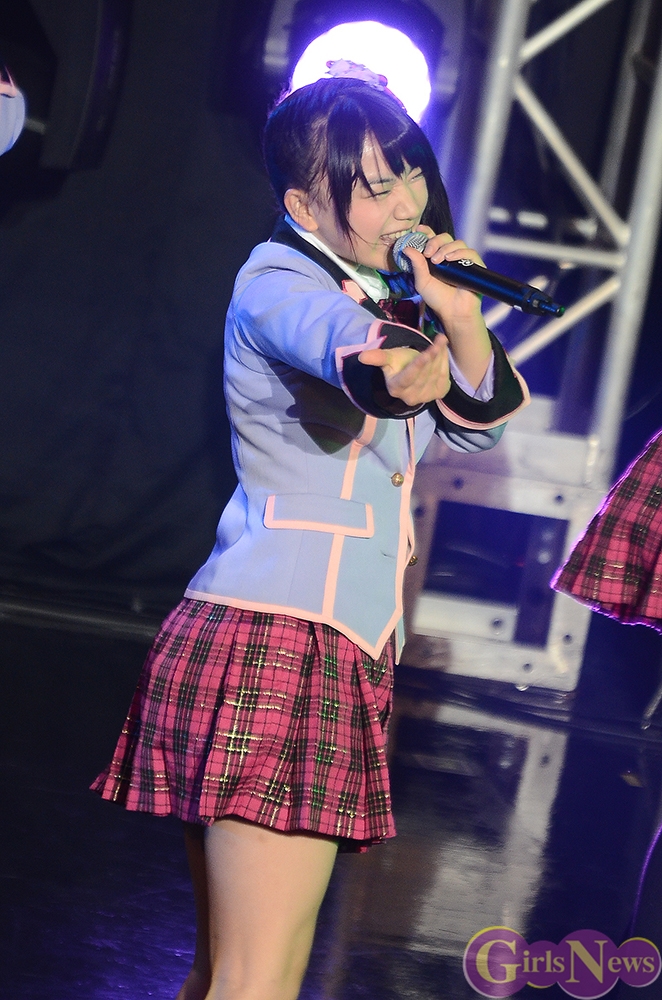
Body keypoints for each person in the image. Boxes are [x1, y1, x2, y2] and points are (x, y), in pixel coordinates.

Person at [92, 70, 529, 1000]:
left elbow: (478, 427)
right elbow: (340, 344)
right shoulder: (278, 277)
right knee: (258, 979)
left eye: (409, 173)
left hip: (296, 636)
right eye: (374, 186)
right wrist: (399, 357)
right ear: (303, 205)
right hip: (286, 642)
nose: (407, 202)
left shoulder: (394, 290)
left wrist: (457, 315)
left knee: (227, 973)